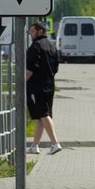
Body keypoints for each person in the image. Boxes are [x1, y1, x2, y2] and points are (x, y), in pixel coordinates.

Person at [25, 21, 63, 153]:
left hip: (36, 87)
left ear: (40, 31)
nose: (31, 34)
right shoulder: (52, 46)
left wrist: (22, 83)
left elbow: (30, 68)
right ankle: (35, 146)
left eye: (33, 32)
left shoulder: (35, 46)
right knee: (41, 116)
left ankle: (55, 143)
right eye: (30, 32)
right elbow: (56, 67)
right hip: (49, 86)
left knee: (44, 114)